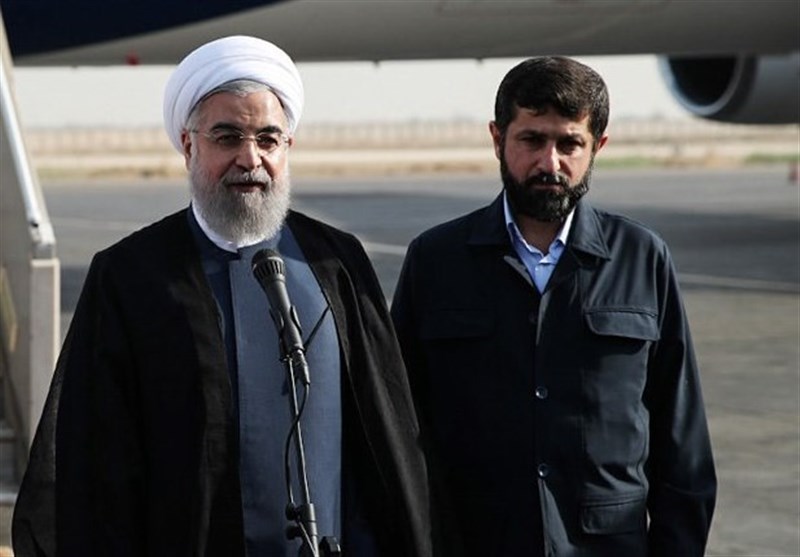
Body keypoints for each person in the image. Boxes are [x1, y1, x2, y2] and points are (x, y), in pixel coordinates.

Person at [12, 36, 439, 557]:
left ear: (288, 147)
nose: (249, 157)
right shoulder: (129, 276)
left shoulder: (337, 263)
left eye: (268, 139)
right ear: (189, 145)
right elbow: (93, 462)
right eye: (227, 136)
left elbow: (387, 443)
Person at [391, 57, 717, 556]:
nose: (550, 163)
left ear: (597, 146)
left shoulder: (642, 258)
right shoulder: (435, 261)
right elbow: (398, 426)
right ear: (498, 138)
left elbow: (683, 446)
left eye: (569, 144)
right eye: (532, 140)